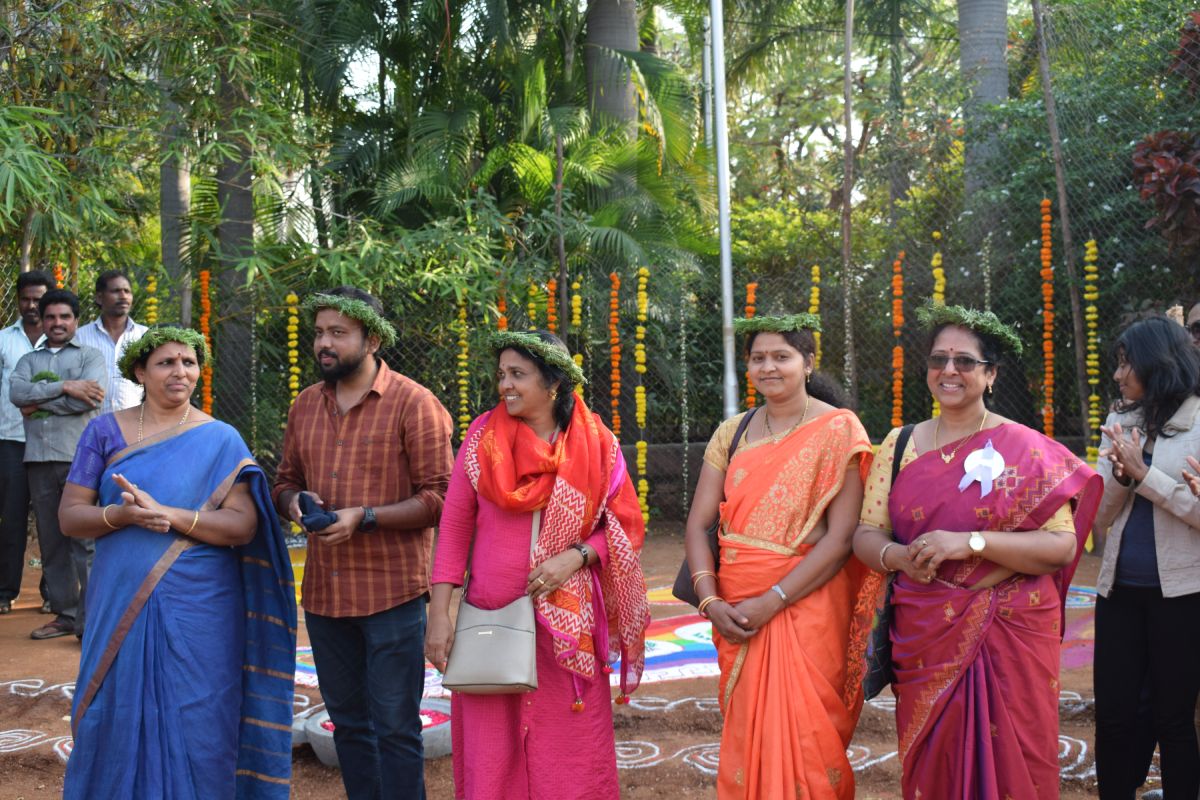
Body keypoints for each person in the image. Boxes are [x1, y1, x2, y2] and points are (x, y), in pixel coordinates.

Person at [852, 301, 1102, 800]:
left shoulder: (1027, 449)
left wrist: (966, 543)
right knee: (935, 764)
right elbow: (866, 534)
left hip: (1010, 629)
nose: (949, 370)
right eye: (938, 360)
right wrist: (900, 558)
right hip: (926, 629)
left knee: (1015, 764)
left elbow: (1060, 545)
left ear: (990, 374)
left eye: (964, 361)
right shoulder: (899, 447)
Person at [58, 327, 295, 798]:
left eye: (188, 362)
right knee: (116, 702)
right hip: (120, 594)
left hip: (202, 601)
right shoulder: (104, 431)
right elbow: (70, 516)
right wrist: (120, 514)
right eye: (166, 363)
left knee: (198, 708)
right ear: (140, 372)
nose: (180, 371)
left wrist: (169, 514)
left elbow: (243, 526)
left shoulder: (221, 438)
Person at [425, 330, 650, 800]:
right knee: (491, 752)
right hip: (491, 619)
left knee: (569, 751)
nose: (505, 384)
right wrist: (439, 616)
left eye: (518, 375)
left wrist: (577, 556)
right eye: (501, 374)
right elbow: (454, 527)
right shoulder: (482, 437)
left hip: (567, 628)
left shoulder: (597, 445)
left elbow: (624, 526)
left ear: (554, 383)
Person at [677, 314, 877, 799]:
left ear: (808, 363)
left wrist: (775, 599)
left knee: (808, 736)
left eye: (782, 357)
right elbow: (699, 523)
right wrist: (709, 602)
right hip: (734, 607)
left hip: (805, 606)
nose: (769, 367)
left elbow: (841, 536)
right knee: (748, 736)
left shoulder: (838, 429)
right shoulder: (734, 432)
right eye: (758, 358)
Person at [273, 287, 453, 800]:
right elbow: (283, 481)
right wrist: (295, 503)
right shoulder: (306, 405)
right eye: (319, 333)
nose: (323, 344)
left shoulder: (414, 404)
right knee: (348, 725)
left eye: (338, 333)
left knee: (396, 727)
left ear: (372, 339)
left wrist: (365, 518)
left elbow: (440, 498)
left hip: (392, 594)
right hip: (327, 596)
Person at [1093, 316, 1200, 799]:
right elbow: (1100, 515)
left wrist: (1145, 477)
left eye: (1126, 363)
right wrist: (1120, 475)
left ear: (1158, 362)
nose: (1118, 375)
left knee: (1173, 717)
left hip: (1183, 596)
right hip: (1118, 592)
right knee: (1114, 717)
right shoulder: (1119, 421)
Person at [9, 289, 106, 640]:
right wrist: (66, 386)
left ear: (75, 321)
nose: (57, 323)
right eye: (51, 317)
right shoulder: (28, 362)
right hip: (38, 460)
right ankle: (65, 614)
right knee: (52, 541)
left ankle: (90, 622)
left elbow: (92, 399)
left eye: (64, 317)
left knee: (85, 541)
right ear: (42, 320)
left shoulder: (90, 357)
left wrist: (41, 404)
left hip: (80, 459)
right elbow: (18, 395)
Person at [0, 270, 53, 614]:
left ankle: (54, 594)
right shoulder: (4, 339)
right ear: (18, 300)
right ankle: (5, 592)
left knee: (52, 522)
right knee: (11, 518)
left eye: (39, 299)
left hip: (52, 444)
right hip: (10, 440)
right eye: (26, 299)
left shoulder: (64, 341)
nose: (32, 305)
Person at [73, 269, 148, 414]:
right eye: (116, 291)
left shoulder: (144, 336)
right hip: (92, 423)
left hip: (136, 424)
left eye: (127, 291)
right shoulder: (80, 337)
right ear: (99, 298)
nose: (123, 296)